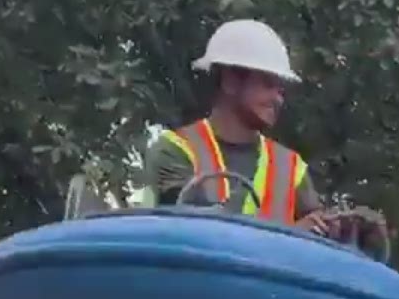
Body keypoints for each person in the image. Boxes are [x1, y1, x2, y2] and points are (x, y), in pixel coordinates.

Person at [137, 19, 325, 227]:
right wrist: (293, 234)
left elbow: (318, 234)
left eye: (280, 90)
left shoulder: (290, 167)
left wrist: (344, 229)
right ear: (230, 81)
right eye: (267, 84)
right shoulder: (175, 150)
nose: (278, 99)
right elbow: (198, 231)